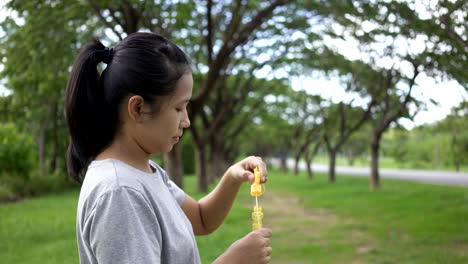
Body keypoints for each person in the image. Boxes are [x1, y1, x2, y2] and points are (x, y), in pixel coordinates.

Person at [65, 32, 272, 264]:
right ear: (138, 108)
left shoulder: (147, 172)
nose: (187, 121)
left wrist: (233, 177)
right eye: (178, 108)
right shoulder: (120, 191)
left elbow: (202, 219)